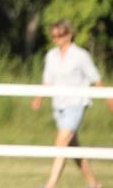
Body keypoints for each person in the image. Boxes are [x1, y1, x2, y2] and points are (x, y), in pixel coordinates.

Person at [31, 19, 113, 188]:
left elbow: (96, 78)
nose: (57, 39)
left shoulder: (80, 55)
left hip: (76, 104)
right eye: (54, 36)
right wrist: (39, 98)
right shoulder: (51, 56)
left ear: (69, 35)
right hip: (58, 105)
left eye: (60, 35)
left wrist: (108, 98)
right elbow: (47, 81)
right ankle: (94, 184)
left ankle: (50, 185)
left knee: (61, 142)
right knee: (73, 148)